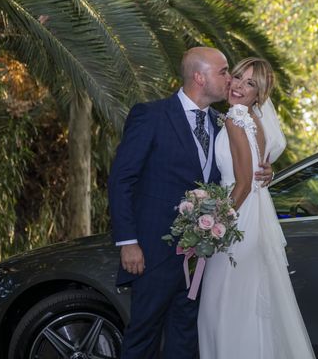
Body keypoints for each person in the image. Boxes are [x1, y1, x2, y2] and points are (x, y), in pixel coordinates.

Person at [108, 47, 273, 359]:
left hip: (199, 257)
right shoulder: (151, 115)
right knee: (142, 336)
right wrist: (128, 242)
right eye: (224, 72)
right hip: (153, 252)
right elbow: (121, 179)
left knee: (184, 340)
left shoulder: (222, 122)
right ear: (200, 77)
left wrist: (264, 171)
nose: (231, 79)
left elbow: (237, 169)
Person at [198, 57, 316, 359]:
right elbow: (256, 172)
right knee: (248, 311)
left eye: (250, 83)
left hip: (235, 222)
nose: (239, 86)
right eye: (238, 77)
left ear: (259, 94)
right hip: (251, 221)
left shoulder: (237, 118)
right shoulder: (254, 121)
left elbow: (243, 184)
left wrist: (211, 227)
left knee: (221, 310)